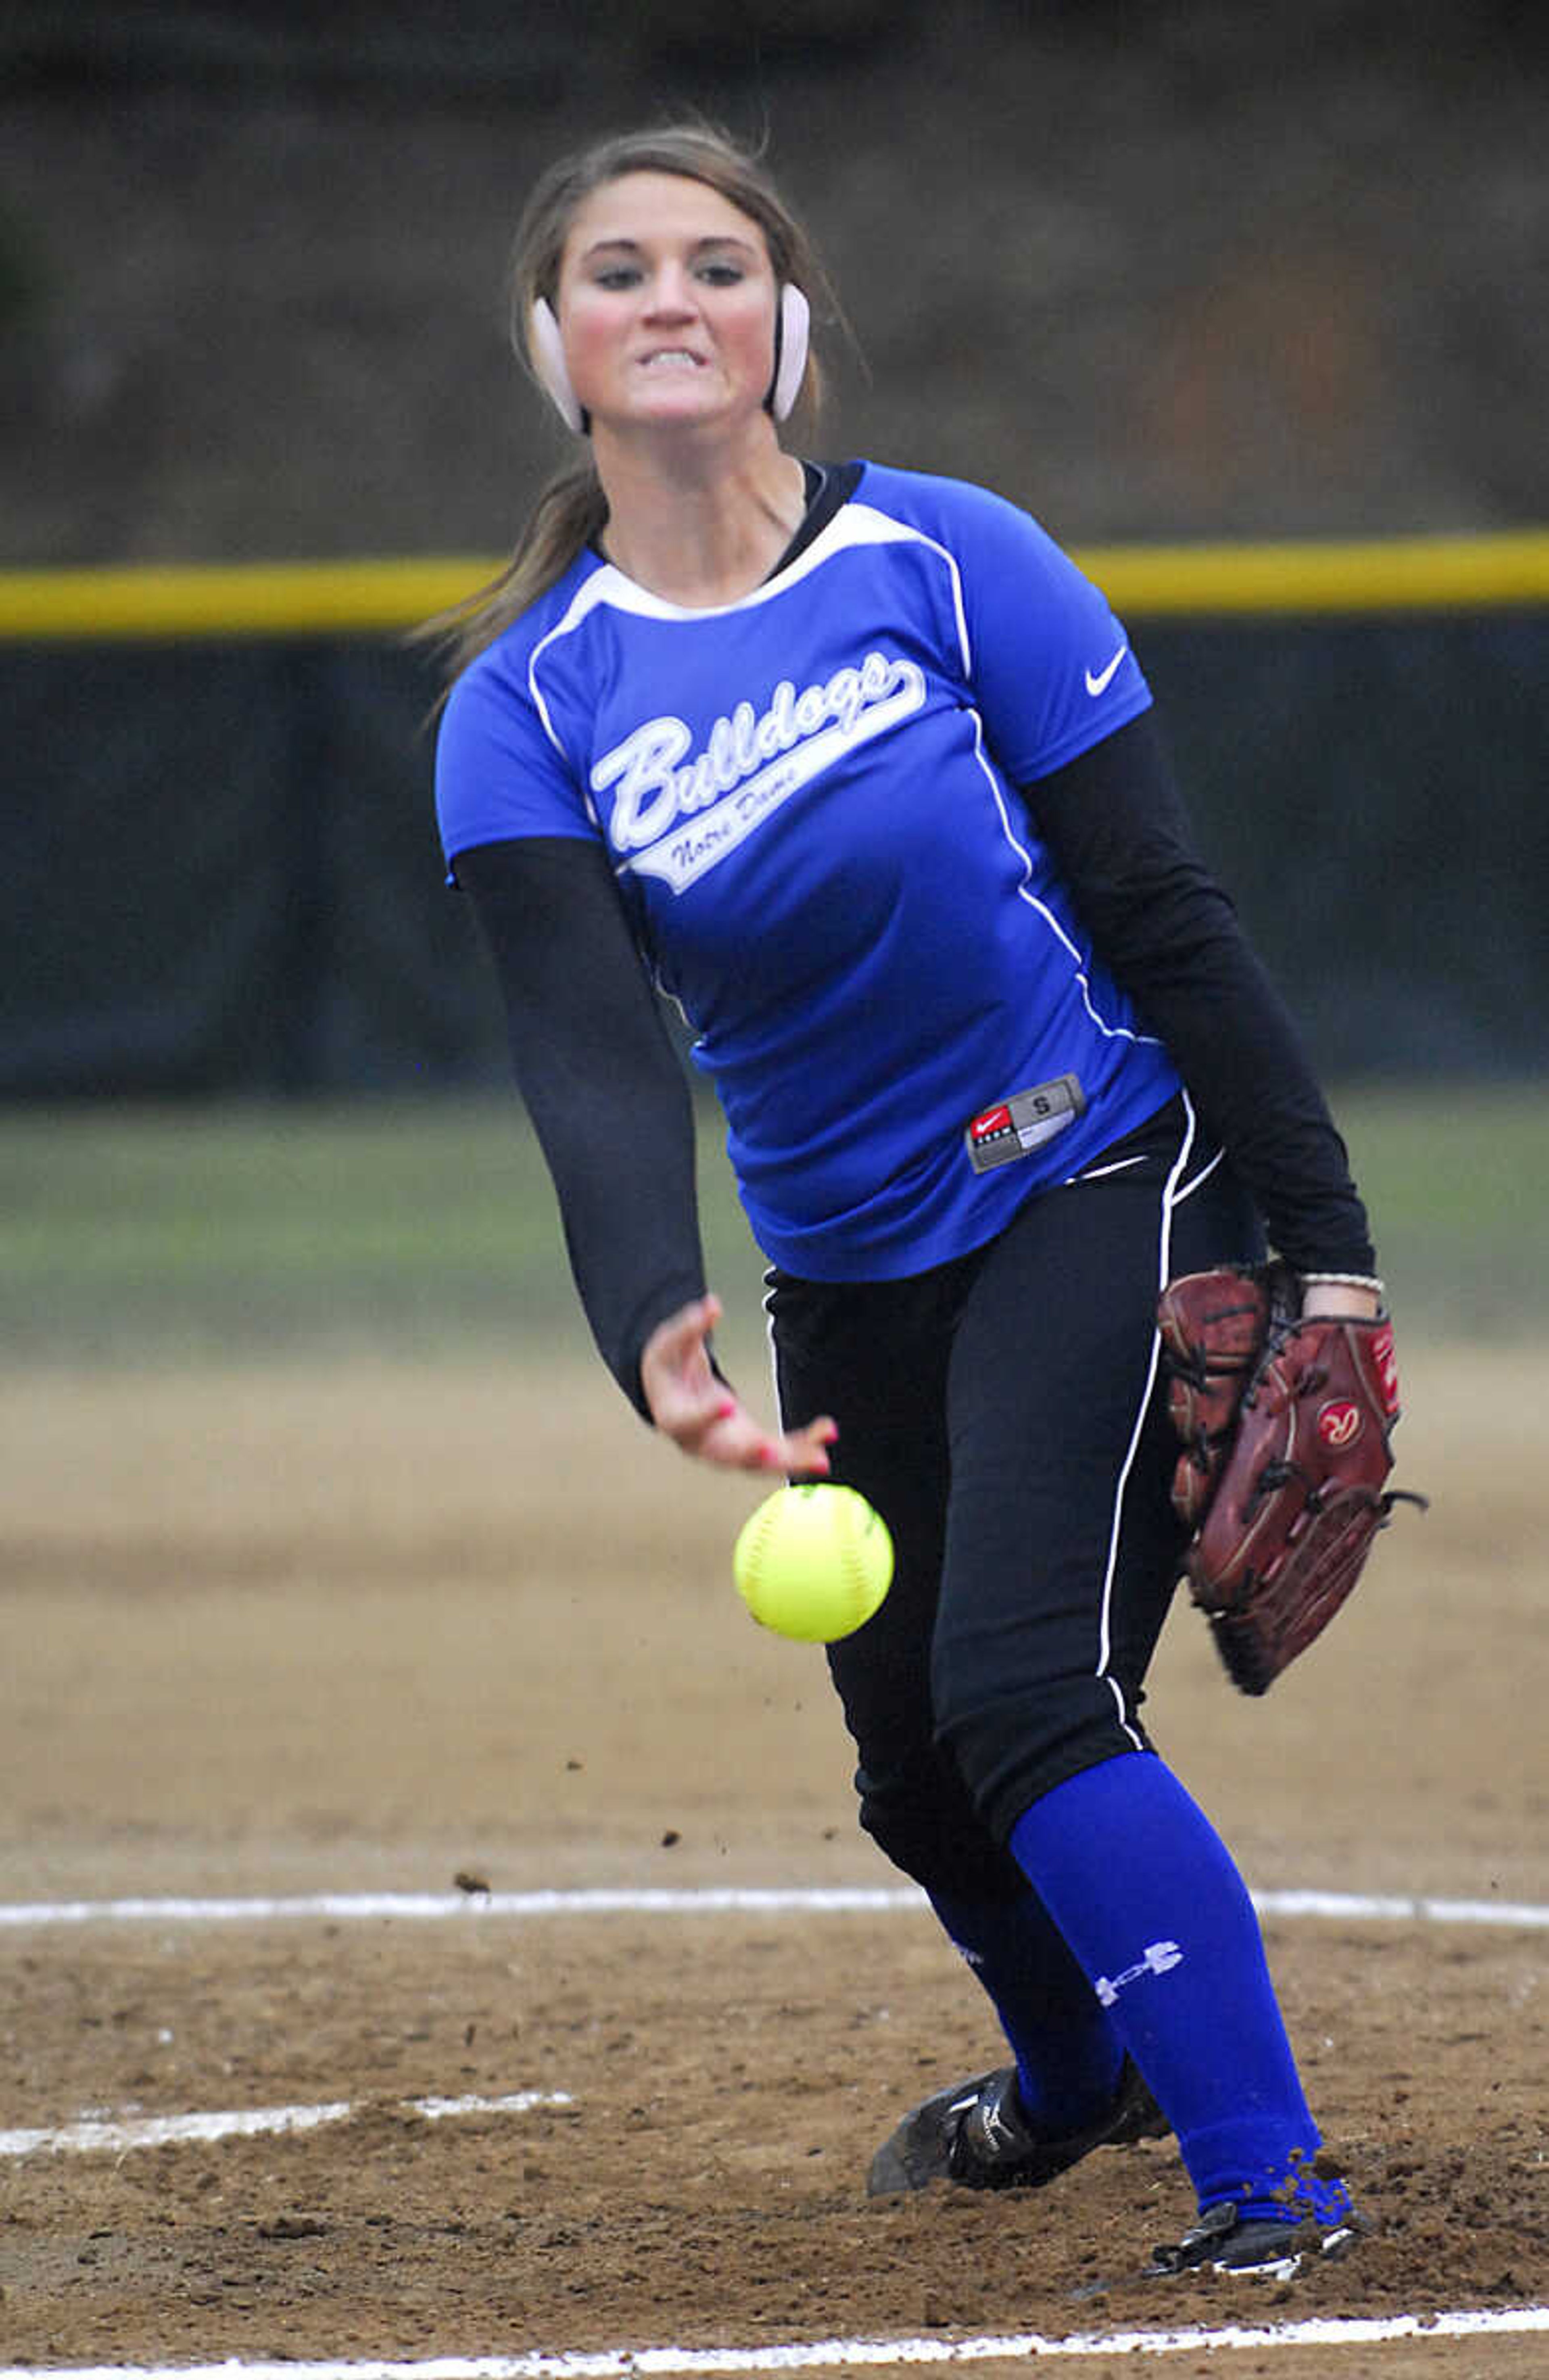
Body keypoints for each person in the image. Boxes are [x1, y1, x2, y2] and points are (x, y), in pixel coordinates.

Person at [430, 123, 1390, 2281]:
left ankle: (1274, 2196)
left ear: (784, 327)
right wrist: (651, 1308)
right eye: (617, 271)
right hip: (848, 1263)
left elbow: (1163, 908)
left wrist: (1321, 1243)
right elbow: (590, 1047)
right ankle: (1071, 2085)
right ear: (550, 345)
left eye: (717, 262)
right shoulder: (528, 705)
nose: (671, 296)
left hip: (1096, 1169)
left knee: (1031, 1695)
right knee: (917, 1780)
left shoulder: (953, 563)